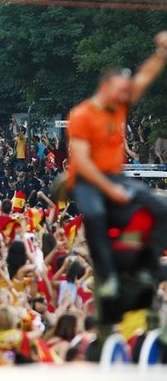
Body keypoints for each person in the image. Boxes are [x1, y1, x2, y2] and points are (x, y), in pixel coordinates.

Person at [67, 30, 167, 298]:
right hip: (88, 179)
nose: (126, 96)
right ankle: (107, 275)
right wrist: (110, 191)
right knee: (97, 216)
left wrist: (161, 53)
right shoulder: (81, 115)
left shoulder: (119, 106)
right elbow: (83, 162)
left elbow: (144, 78)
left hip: (115, 176)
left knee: (161, 207)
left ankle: (146, 263)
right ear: (105, 87)